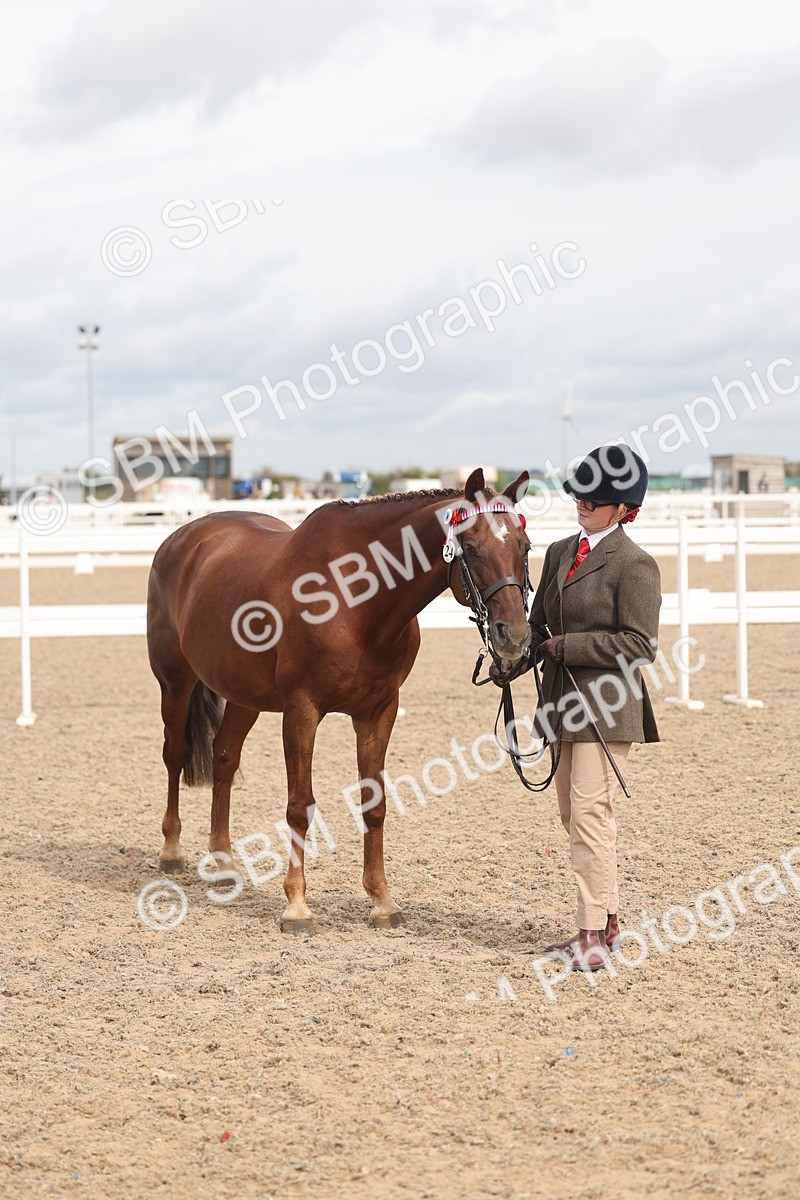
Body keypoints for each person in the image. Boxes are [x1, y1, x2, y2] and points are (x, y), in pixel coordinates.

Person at [494, 444, 662, 971]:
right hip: (561, 704)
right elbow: (541, 624)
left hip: (607, 708)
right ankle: (609, 918)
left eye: (596, 499)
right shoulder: (561, 552)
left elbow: (639, 645)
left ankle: (590, 933)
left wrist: (570, 648)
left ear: (622, 508)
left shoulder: (635, 565)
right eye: (580, 495)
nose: (583, 504)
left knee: (590, 813)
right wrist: (514, 659)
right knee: (574, 813)